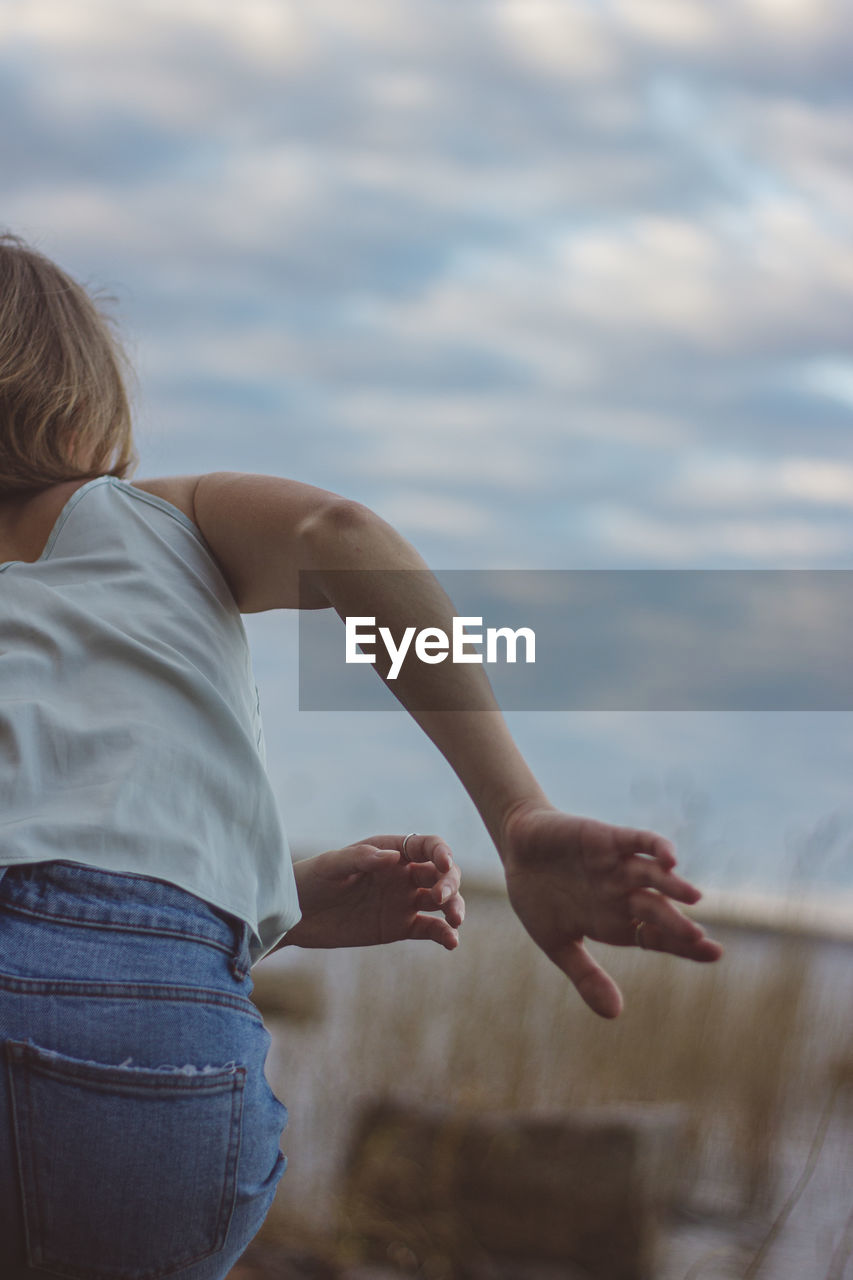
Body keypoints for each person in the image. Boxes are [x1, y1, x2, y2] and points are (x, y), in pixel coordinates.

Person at [0, 231, 722, 1280]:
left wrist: (271, 904)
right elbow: (341, 535)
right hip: (158, 1056)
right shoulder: (160, 516)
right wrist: (513, 813)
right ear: (80, 415)